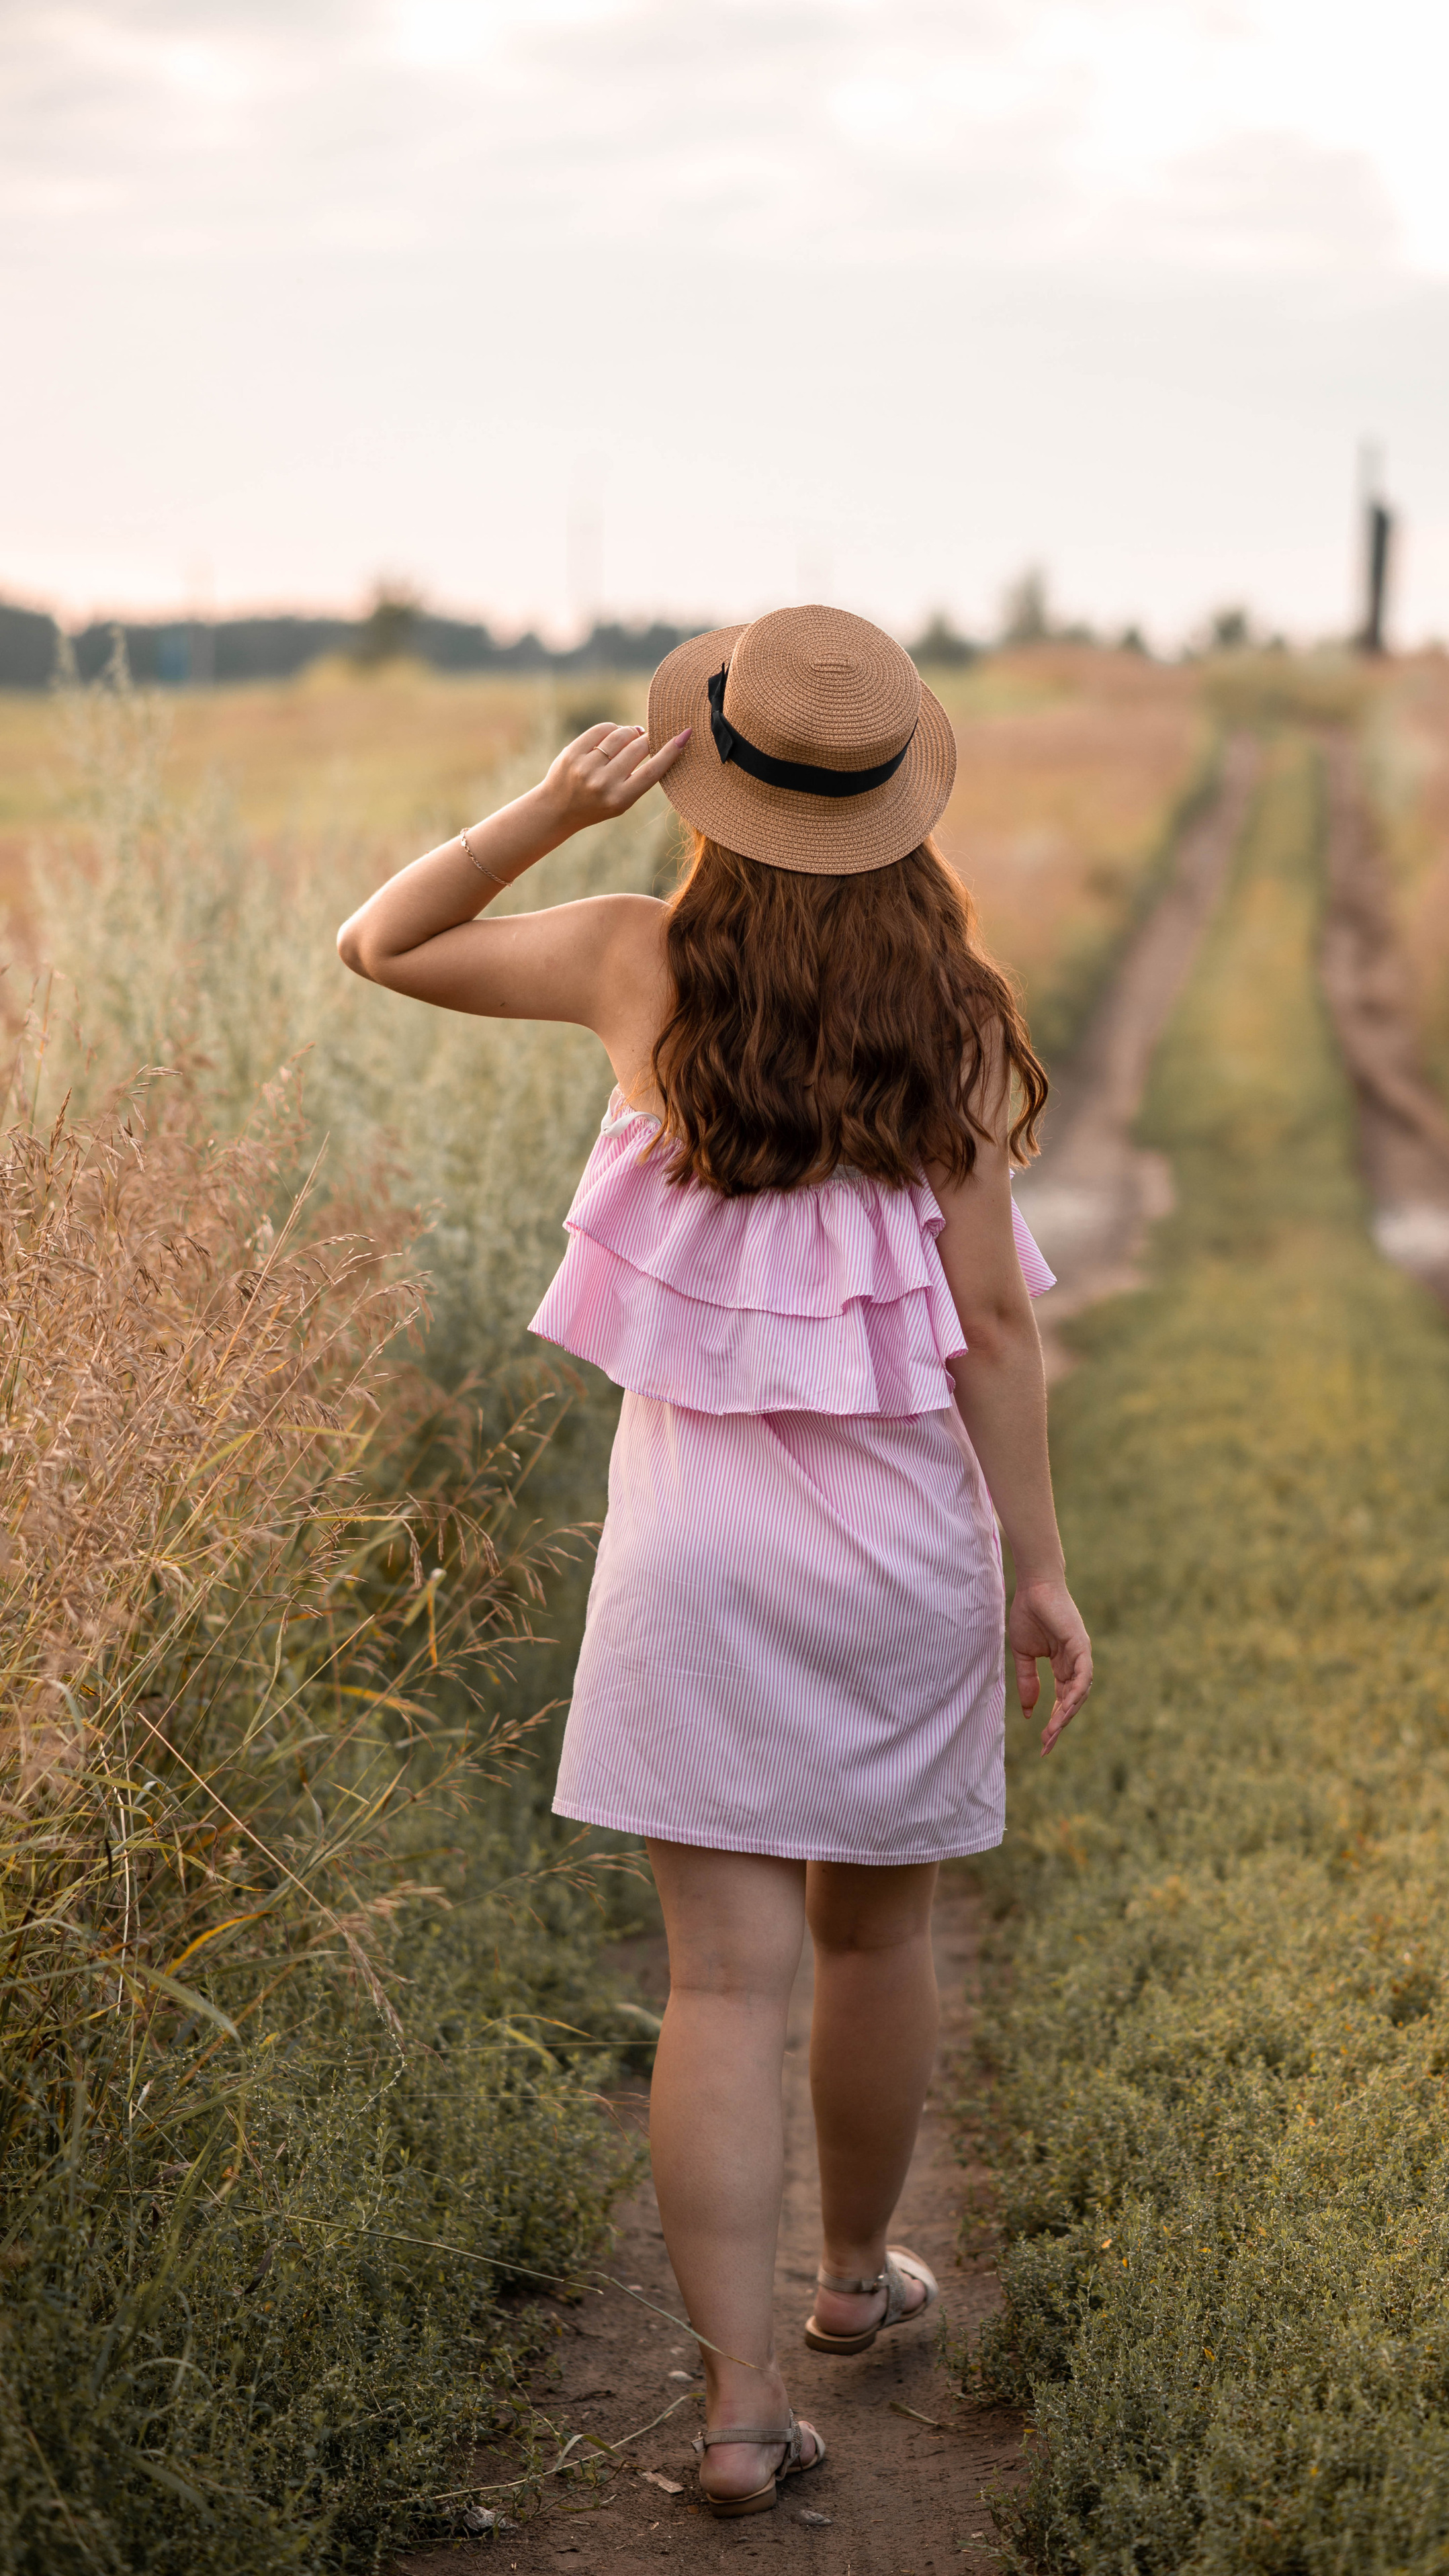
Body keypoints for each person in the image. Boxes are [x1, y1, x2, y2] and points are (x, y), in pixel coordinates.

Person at [337, 604, 1094, 2518]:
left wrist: (546, 805)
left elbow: (383, 941)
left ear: (703, 770)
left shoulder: (631, 962)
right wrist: (1039, 1572)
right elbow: (996, 1330)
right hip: (904, 1545)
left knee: (724, 1988)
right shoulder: (957, 1014)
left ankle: (741, 2408)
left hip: (696, 1561)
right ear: (895, 797)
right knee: (878, 1932)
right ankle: (853, 2282)